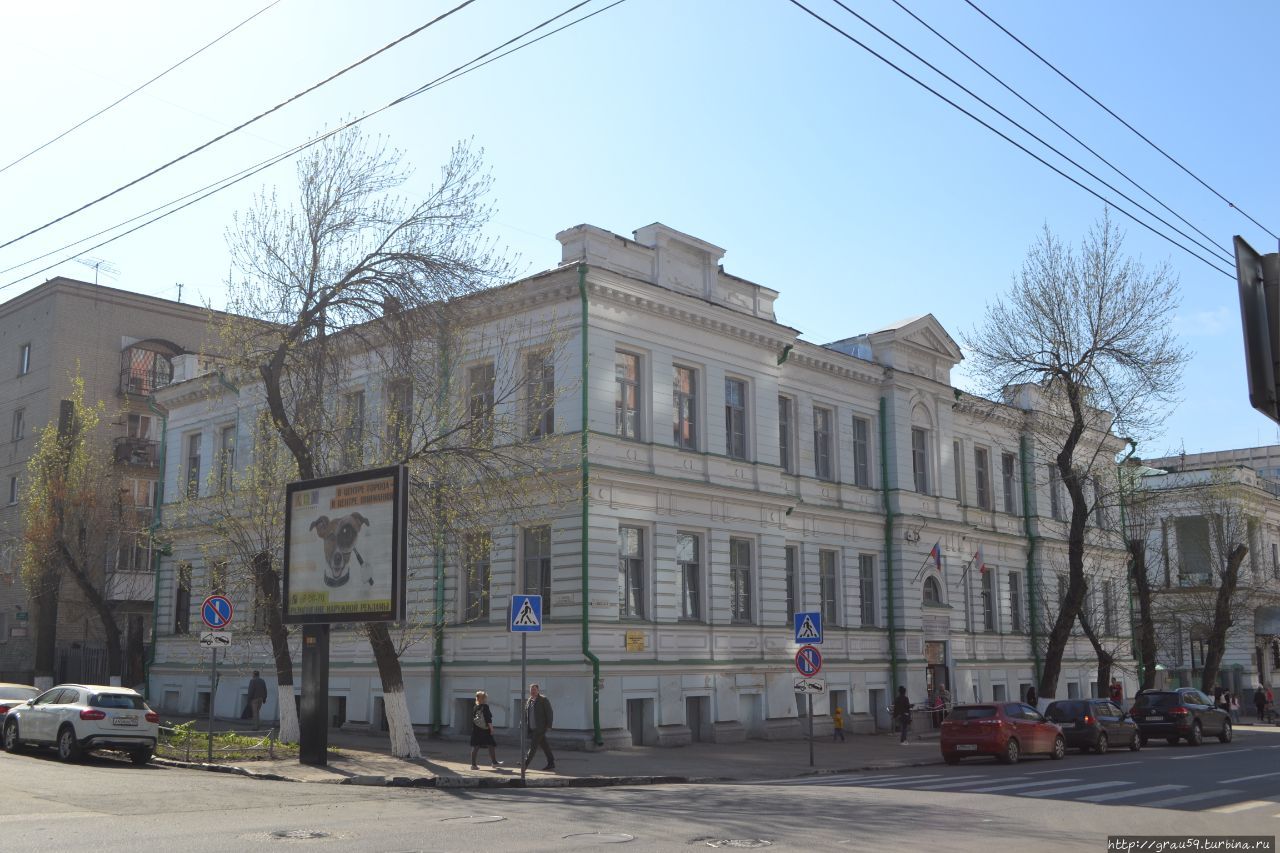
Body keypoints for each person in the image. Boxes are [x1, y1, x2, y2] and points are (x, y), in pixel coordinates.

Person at [524, 683, 555, 771]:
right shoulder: (529, 700)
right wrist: (523, 722)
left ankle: (525, 763)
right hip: (532, 727)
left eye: (534, 690)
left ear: (538, 690)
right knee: (544, 745)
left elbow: (549, 713)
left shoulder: (543, 700)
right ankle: (551, 762)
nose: (532, 691)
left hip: (540, 727)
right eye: (531, 690)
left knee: (533, 746)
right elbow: (526, 713)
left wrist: (549, 725)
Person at [469, 690, 502, 770]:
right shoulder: (485, 707)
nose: (486, 699)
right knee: (491, 745)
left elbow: (473, 719)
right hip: (485, 730)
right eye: (485, 697)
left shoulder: (475, 707)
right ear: (483, 698)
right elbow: (488, 719)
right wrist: (491, 729)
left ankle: (473, 765)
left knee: (475, 746)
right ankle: (494, 762)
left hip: (476, 729)